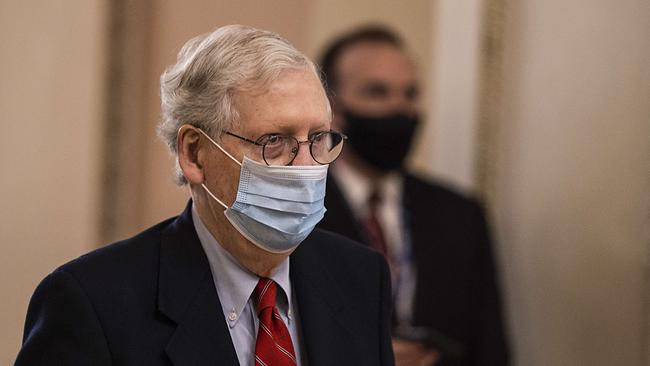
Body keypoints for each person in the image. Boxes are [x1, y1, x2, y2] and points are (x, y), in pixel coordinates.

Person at [15, 25, 394, 366]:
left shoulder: (359, 277)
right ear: (195, 153)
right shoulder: (92, 303)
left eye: (316, 139)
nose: (304, 167)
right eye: (273, 141)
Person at [317, 26, 509, 366]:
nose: (400, 108)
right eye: (377, 92)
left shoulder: (461, 215)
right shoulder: (297, 211)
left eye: (410, 94)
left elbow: (491, 347)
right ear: (332, 106)